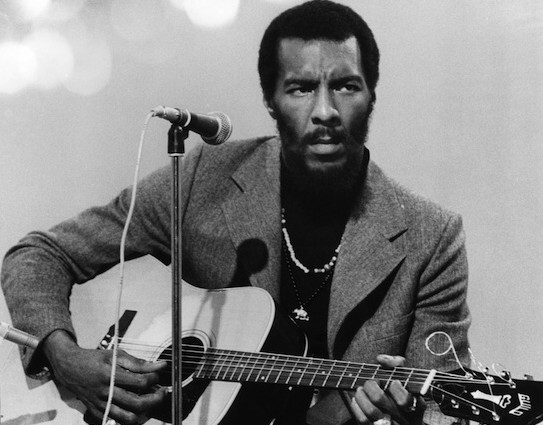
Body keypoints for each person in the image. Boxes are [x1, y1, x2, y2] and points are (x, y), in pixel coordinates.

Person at [1, 1, 471, 424]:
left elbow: (445, 408)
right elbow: (37, 256)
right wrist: (63, 355)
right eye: (301, 88)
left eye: (346, 86)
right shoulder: (201, 178)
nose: (326, 110)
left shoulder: (431, 237)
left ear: (372, 96)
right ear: (270, 101)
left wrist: (408, 414)